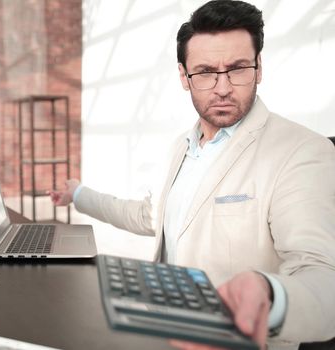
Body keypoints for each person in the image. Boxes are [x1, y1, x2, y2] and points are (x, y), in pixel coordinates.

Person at [49, 1, 335, 349]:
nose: (223, 87)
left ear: (259, 68)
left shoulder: (302, 150)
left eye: (238, 68)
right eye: (205, 72)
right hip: (161, 330)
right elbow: (147, 216)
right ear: (184, 77)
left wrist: (270, 294)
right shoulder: (180, 148)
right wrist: (78, 194)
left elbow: (322, 276)